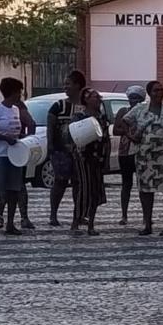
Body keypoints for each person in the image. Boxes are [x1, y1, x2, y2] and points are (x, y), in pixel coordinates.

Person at [124, 80, 163, 236]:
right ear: (149, 93)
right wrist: (131, 136)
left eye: (161, 90)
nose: (159, 93)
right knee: (145, 190)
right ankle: (147, 224)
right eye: (156, 90)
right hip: (145, 156)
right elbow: (124, 121)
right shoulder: (140, 109)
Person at [0, 77, 25, 236]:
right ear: (12, 92)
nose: (20, 95)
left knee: (13, 190)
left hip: (14, 155)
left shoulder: (15, 110)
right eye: (18, 92)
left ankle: (10, 223)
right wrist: (5, 138)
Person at [47, 71, 87, 227]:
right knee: (60, 182)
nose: (65, 87)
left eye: (68, 84)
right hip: (61, 151)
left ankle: (78, 214)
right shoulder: (58, 106)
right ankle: (53, 214)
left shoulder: (85, 106)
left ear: (77, 85)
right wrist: (50, 145)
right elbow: (50, 125)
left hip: (81, 151)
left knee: (78, 183)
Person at [0, 90, 37, 230]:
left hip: (15, 151)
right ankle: (9, 217)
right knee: (11, 185)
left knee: (16, 185)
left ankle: (7, 217)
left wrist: (26, 140)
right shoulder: (8, 107)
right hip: (8, 152)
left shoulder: (18, 106)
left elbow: (31, 123)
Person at [71, 87, 111, 236]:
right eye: (95, 97)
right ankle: (76, 222)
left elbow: (106, 139)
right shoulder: (79, 117)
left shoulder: (101, 117)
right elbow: (74, 137)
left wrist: (106, 160)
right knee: (84, 189)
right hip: (84, 158)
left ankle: (91, 224)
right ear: (86, 100)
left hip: (98, 157)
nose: (99, 99)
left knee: (95, 191)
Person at [114, 85, 145, 226]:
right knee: (126, 184)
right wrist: (129, 132)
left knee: (142, 185)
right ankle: (124, 215)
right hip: (125, 151)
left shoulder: (145, 112)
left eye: (137, 98)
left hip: (141, 151)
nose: (134, 101)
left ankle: (146, 216)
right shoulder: (123, 111)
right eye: (132, 98)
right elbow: (115, 130)